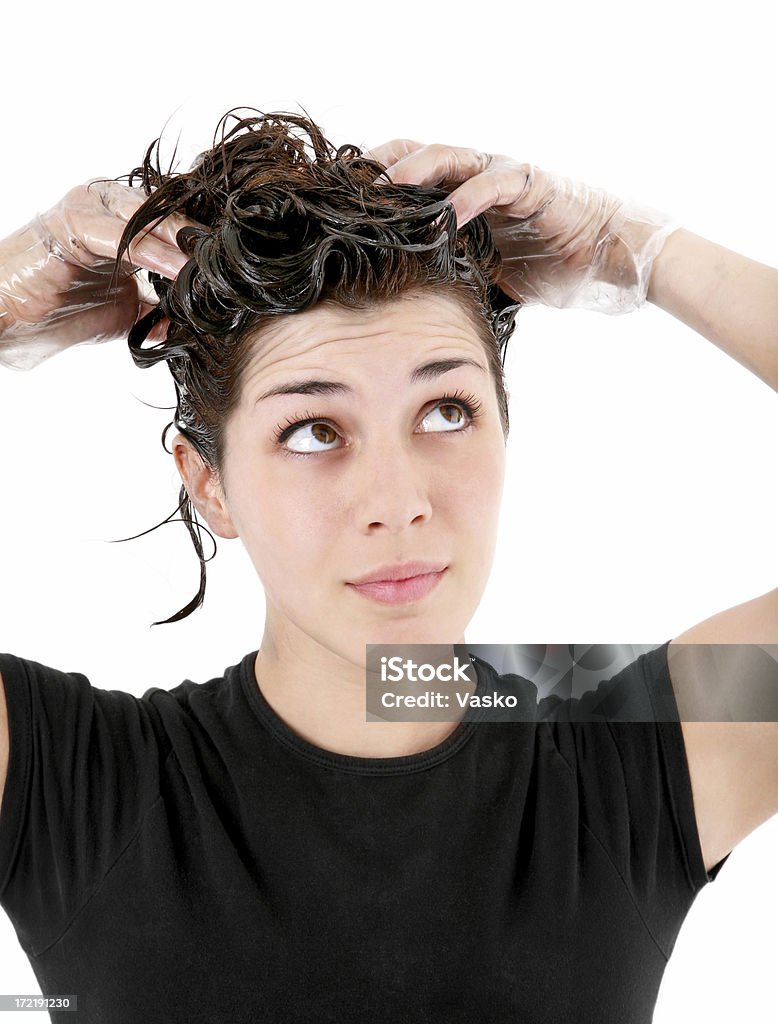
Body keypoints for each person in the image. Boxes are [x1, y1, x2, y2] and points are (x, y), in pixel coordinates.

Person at [0, 109, 776, 1023]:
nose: (397, 498)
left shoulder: (635, 768)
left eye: (446, 411)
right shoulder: (69, 784)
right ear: (209, 483)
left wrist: (638, 251)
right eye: (315, 430)